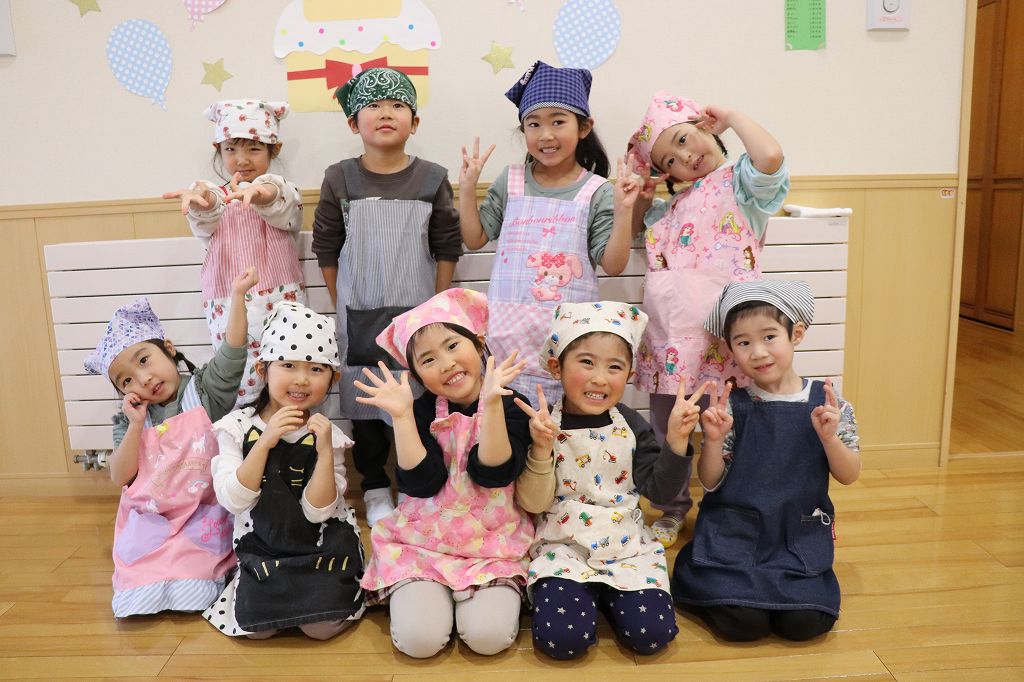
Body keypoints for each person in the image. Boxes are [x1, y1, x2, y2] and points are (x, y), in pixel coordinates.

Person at [625, 92, 790, 546]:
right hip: (669, 344)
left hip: (727, 341)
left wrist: (732, 116)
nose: (684, 157)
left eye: (683, 139)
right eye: (669, 160)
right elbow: (637, 228)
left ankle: (734, 508)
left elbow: (771, 157)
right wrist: (642, 193)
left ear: (704, 127)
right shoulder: (666, 209)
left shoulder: (740, 184)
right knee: (669, 431)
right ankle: (672, 506)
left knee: (733, 429)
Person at [312, 67, 463, 526]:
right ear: (352, 122)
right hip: (358, 313)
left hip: (418, 318)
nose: (385, 114)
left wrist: (437, 308)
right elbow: (326, 247)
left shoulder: (432, 178)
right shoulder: (339, 178)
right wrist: (343, 301)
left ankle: (416, 486)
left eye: (398, 105)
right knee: (365, 404)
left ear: (414, 122)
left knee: (418, 402)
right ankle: (375, 487)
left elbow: (447, 245)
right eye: (373, 106)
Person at [673, 280, 861, 642]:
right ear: (731, 348)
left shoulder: (830, 405)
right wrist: (714, 440)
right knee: (743, 625)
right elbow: (709, 481)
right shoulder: (730, 406)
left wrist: (830, 439)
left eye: (769, 337)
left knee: (805, 625)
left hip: (796, 542)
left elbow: (849, 474)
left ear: (797, 334)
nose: (758, 352)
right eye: (743, 342)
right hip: (734, 538)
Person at [515, 301, 704, 659]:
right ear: (556, 367)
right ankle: (587, 595)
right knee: (562, 641)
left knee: (652, 635)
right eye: (586, 362)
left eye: (614, 366)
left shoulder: (631, 424)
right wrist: (540, 448)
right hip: (564, 547)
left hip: (626, 546)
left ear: (629, 374)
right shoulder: (543, 424)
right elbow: (533, 503)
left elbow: (661, 493)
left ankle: (604, 595)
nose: (600, 378)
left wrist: (677, 441)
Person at [354, 288, 535, 658]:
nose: (446, 363)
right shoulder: (421, 409)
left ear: (479, 343)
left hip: (492, 547)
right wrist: (402, 417)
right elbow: (422, 483)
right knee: (419, 641)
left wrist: (492, 406)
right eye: (428, 359)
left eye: (453, 346)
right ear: (417, 375)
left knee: (488, 638)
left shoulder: (512, 402)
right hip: (421, 544)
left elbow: (493, 474)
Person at [84, 268, 257, 617]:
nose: (143, 379)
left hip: (202, 517)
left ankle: (192, 580)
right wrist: (135, 426)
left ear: (169, 349)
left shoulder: (204, 391)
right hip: (150, 522)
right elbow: (120, 476)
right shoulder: (129, 420)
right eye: (126, 380)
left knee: (194, 593)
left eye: (144, 360)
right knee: (137, 595)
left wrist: (237, 297)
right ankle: (151, 582)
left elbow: (233, 353)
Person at [459, 60, 634, 402]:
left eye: (558, 121)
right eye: (534, 124)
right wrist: (467, 188)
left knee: (558, 427)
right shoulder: (511, 181)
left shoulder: (597, 191)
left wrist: (625, 211)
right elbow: (475, 238)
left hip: (567, 344)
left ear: (584, 127)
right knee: (507, 424)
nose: (546, 134)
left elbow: (613, 265)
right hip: (504, 343)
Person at [203, 301, 365, 639]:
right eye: (288, 365)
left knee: (321, 628)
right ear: (263, 370)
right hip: (264, 547)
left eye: (316, 369)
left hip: (320, 547)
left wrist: (324, 452)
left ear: (333, 378)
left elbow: (319, 511)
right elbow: (234, 500)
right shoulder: (235, 427)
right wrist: (264, 443)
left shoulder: (329, 435)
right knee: (257, 628)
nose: (302, 379)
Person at [163, 99, 305, 408]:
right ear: (218, 149)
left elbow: (280, 199)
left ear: (274, 149)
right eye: (230, 149)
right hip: (228, 304)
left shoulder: (282, 190)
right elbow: (209, 206)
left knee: (291, 374)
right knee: (240, 384)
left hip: (281, 300)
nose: (242, 159)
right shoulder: (214, 195)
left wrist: (261, 194)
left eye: (253, 148)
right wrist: (204, 200)